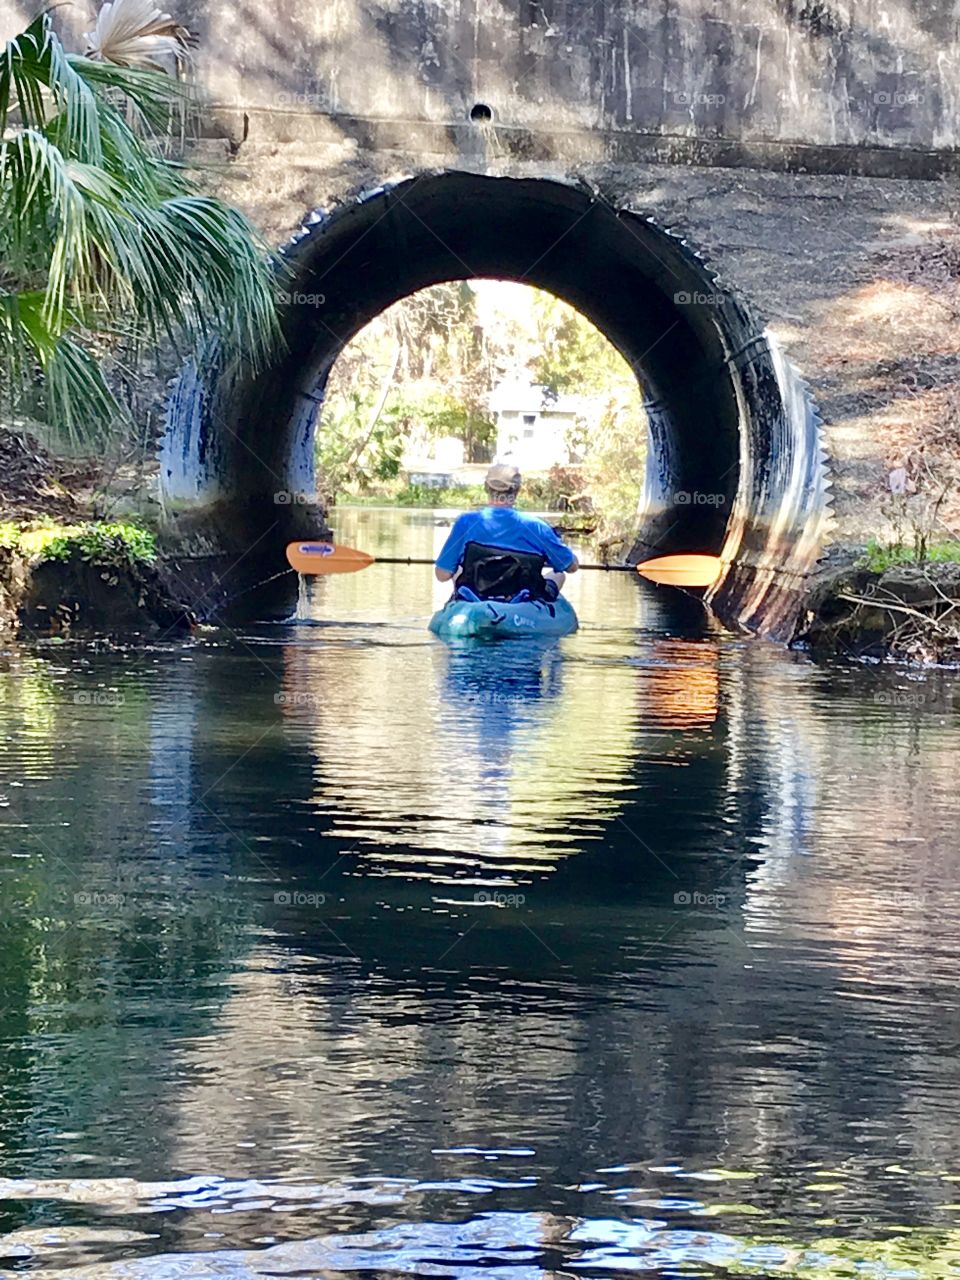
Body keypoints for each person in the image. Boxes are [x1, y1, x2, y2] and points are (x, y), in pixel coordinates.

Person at [434, 463, 579, 602]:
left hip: (476, 595)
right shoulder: (538, 527)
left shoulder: (465, 523)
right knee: (558, 574)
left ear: (486, 488)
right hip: (523, 600)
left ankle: (465, 600)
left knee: (457, 569)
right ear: (517, 491)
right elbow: (571, 567)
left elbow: (442, 574)